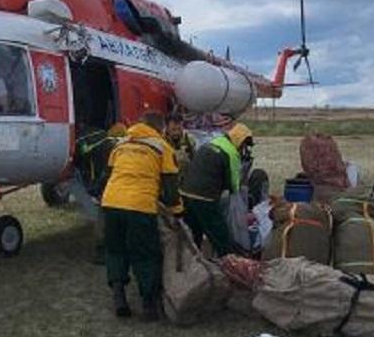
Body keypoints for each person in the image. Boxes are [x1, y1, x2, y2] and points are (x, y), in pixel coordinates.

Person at [100, 111, 182, 320]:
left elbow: (107, 176)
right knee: (145, 254)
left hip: (111, 203)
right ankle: (148, 306)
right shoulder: (163, 148)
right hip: (140, 206)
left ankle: (119, 297)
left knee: (116, 250)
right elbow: (171, 192)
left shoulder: (120, 145)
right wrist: (176, 214)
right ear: (160, 129)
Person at [180, 122, 254, 257]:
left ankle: (192, 264)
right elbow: (233, 186)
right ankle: (231, 262)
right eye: (244, 145)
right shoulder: (231, 153)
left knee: (193, 233)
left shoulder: (214, 142)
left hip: (186, 193)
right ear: (240, 141)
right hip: (205, 198)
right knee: (219, 234)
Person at [78, 122, 127, 264]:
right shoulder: (125, 146)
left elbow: (85, 153)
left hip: (107, 188)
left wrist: (96, 189)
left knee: (104, 220)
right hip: (122, 188)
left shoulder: (102, 144)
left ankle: (102, 252)